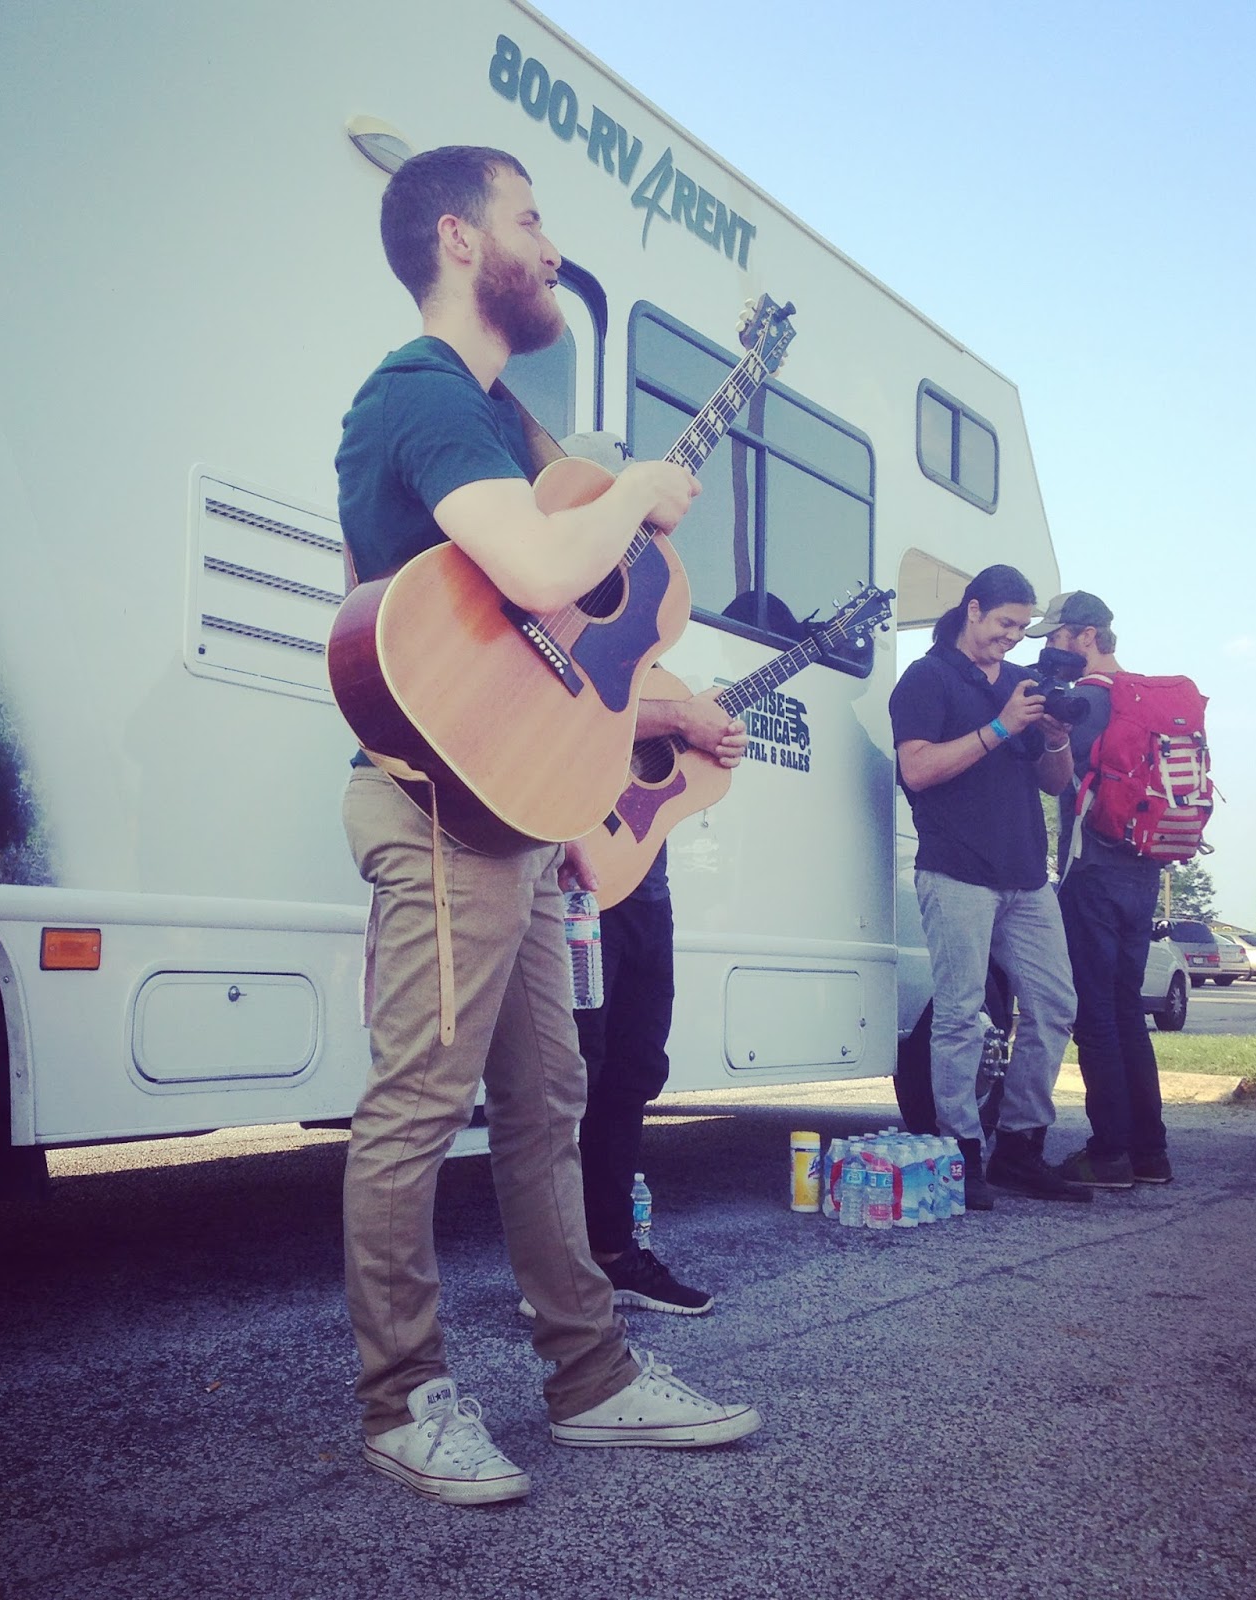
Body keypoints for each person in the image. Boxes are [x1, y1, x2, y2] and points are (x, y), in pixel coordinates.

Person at [334, 145, 761, 1507]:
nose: (549, 243)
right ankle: (403, 1400)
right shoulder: (421, 395)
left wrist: (672, 707)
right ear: (461, 240)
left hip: (509, 815)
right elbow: (535, 562)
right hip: (437, 813)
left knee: (547, 1104)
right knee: (419, 1105)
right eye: (531, 218)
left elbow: (560, 628)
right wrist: (635, 490)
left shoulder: (505, 421)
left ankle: (592, 1382)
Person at [888, 564, 1090, 1209]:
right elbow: (917, 770)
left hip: (1027, 876)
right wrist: (1001, 725)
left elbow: (1054, 784)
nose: (1013, 637)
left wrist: (1056, 739)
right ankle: (959, 1154)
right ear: (972, 609)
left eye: (1022, 627)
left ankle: (1021, 1148)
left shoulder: (1025, 684)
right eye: (1006, 623)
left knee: (1056, 1004)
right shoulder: (927, 679)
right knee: (960, 1015)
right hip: (957, 872)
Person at [573, 686, 747, 1315]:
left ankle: (613, 1255)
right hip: (580, 885)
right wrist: (680, 718)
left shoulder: (660, 665)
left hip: (647, 888)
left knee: (634, 1072)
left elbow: (671, 751)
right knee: (572, 1079)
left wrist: (716, 745)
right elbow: (569, 710)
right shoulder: (572, 615)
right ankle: (561, 1273)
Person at [1023, 592, 1172, 1187]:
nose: (1047, 646)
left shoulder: (1087, 701)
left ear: (1085, 637)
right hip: (1145, 870)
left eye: (1055, 636)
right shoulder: (1144, 699)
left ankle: (1109, 1152)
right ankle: (1151, 1153)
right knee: (1128, 1011)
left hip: (1094, 872)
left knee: (1097, 1018)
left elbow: (1043, 767)